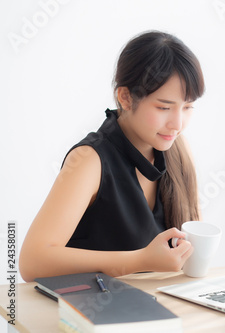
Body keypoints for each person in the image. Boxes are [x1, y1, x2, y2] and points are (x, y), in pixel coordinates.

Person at [19, 31, 205, 282]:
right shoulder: (89, 160)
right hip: (83, 315)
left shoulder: (176, 152)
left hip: (151, 309)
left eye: (188, 107)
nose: (177, 124)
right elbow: (32, 262)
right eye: (163, 107)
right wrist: (141, 260)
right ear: (126, 97)